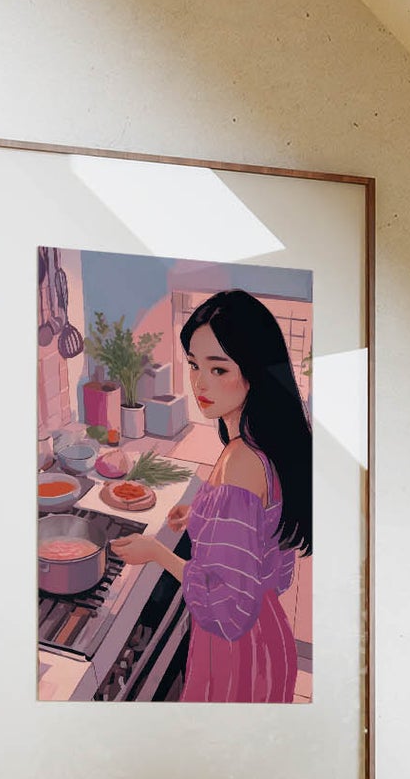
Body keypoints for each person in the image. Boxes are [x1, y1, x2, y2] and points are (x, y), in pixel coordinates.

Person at [111, 289, 311, 703]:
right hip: (266, 636)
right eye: (193, 365)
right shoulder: (262, 444)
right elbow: (269, 551)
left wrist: (155, 552)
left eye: (218, 370)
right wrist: (201, 514)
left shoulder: (242, 462)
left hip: (237, 652)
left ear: (254, 370)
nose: (199, 383)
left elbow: (226, 607)